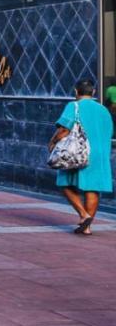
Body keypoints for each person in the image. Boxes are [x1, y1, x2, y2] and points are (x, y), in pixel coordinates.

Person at [49, 79, 113, 235]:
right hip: (99, 153)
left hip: (78, 151)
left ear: (76, 91)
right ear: (94, 92)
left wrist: (52, 142)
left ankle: (84, 215)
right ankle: (87, 227)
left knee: (64, 182)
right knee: (93, 187)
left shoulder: (73, 106)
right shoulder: (103, 110)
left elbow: (64, 130)